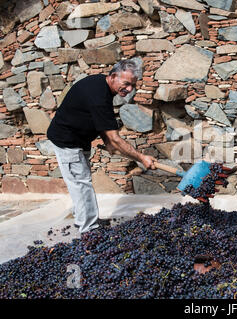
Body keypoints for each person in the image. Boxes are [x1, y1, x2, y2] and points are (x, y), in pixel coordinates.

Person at [47, 59, 157, 234]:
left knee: (81, 181)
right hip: (67, 141)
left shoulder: (101, 85)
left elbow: (100, 123)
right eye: (126, 84)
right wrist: (142, 158)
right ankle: (89, 230)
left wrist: (108, 142)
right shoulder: (98, 96)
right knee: (81, 183)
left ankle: (84, 217)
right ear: (113, 76)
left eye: (132, 85)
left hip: (78, 139)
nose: (129, 89)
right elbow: (115, 138)